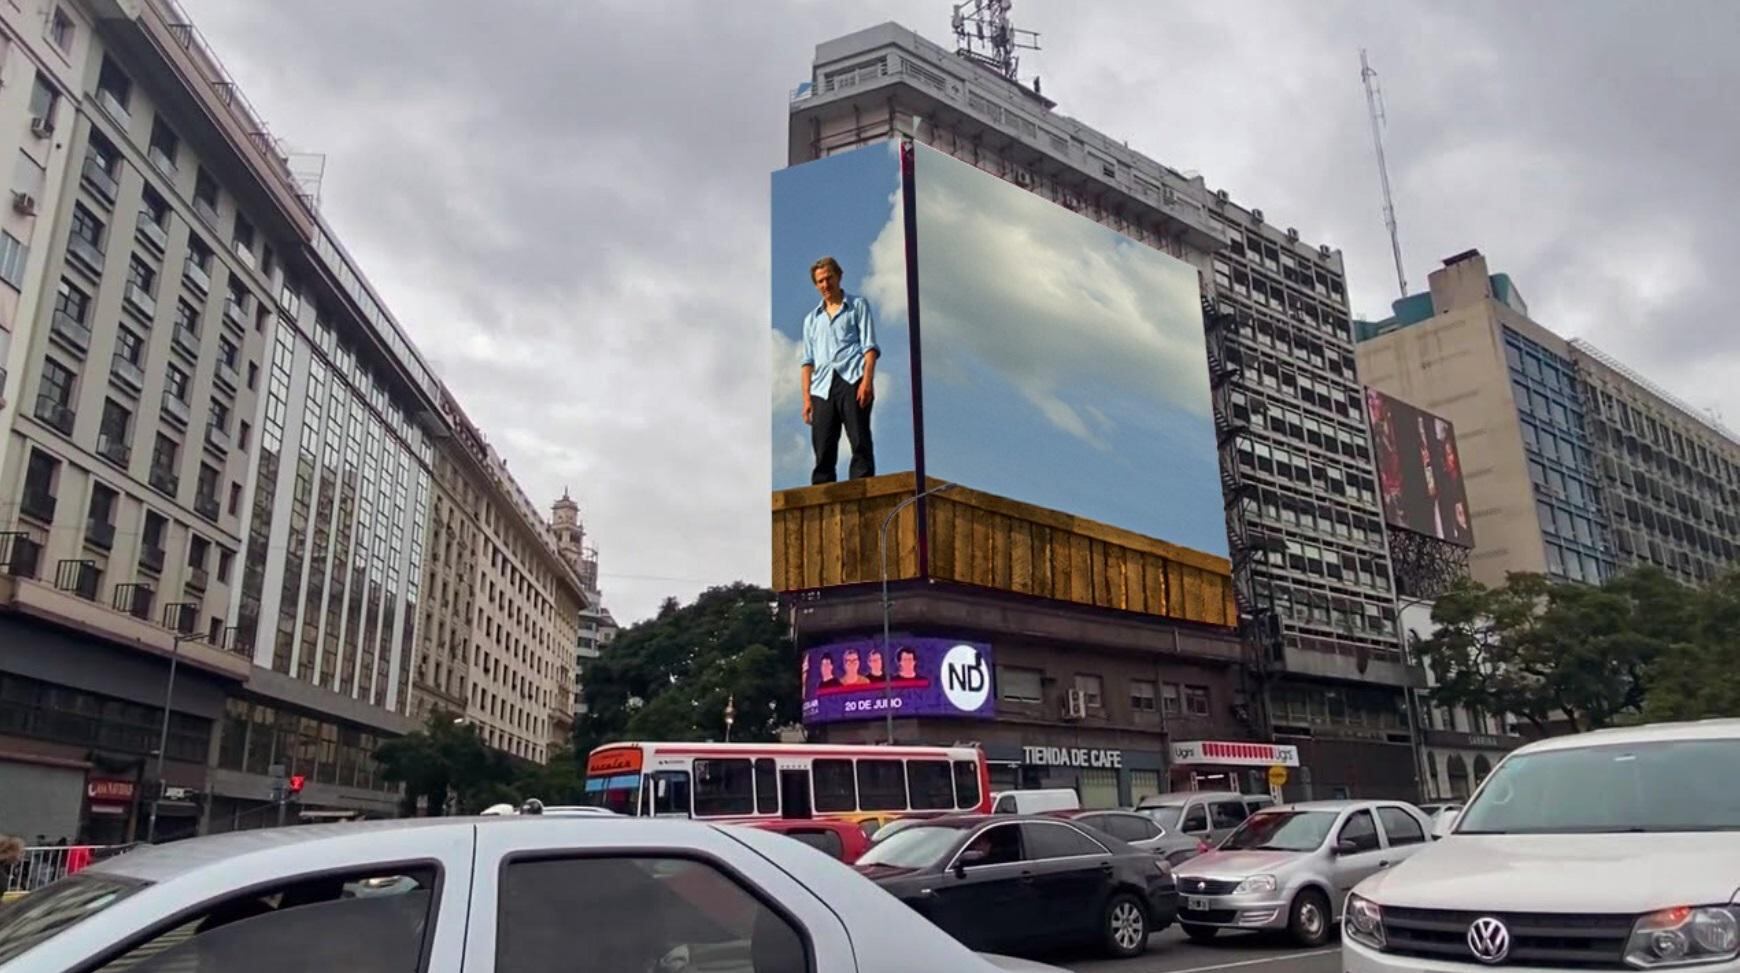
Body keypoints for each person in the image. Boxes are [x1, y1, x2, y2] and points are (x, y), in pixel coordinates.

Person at [799, 256, 878, 484]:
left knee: (859, 440)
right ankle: (822, 495)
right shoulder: (811, 320)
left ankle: (861, 489)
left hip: (852, 377)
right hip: (822, 387)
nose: (825, 285)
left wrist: (867, 381)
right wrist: (806, 399)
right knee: (823, 447)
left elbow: (869, 347)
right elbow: (807, 362)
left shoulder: (857, 306)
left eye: (828, 278)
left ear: (839, 276)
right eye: (820, 281)